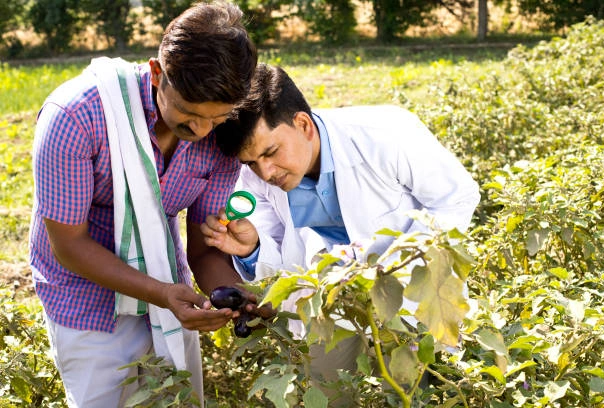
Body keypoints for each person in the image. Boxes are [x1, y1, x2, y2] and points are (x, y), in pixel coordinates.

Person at [29, 2, 259, 407]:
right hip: (85, 303)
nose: (201, 130)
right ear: (157, 74)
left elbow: (205, 247)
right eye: (187, 113)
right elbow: (69, 244)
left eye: (216, 118)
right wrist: (163, 294)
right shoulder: (77, 118)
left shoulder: (222, 137)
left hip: (165, 288)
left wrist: (236, 296)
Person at [202, 63, 481, 388]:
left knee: (419, 390)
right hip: (328, 314)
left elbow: (457, 198)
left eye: (271, 152)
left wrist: (391, 266)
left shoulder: (387, 133)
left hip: (410, 303)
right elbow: (285, 269)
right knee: (331, 393)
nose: (265, 172)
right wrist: (252, 248)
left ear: (303, 125)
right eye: (251, 162)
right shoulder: (255, 177)